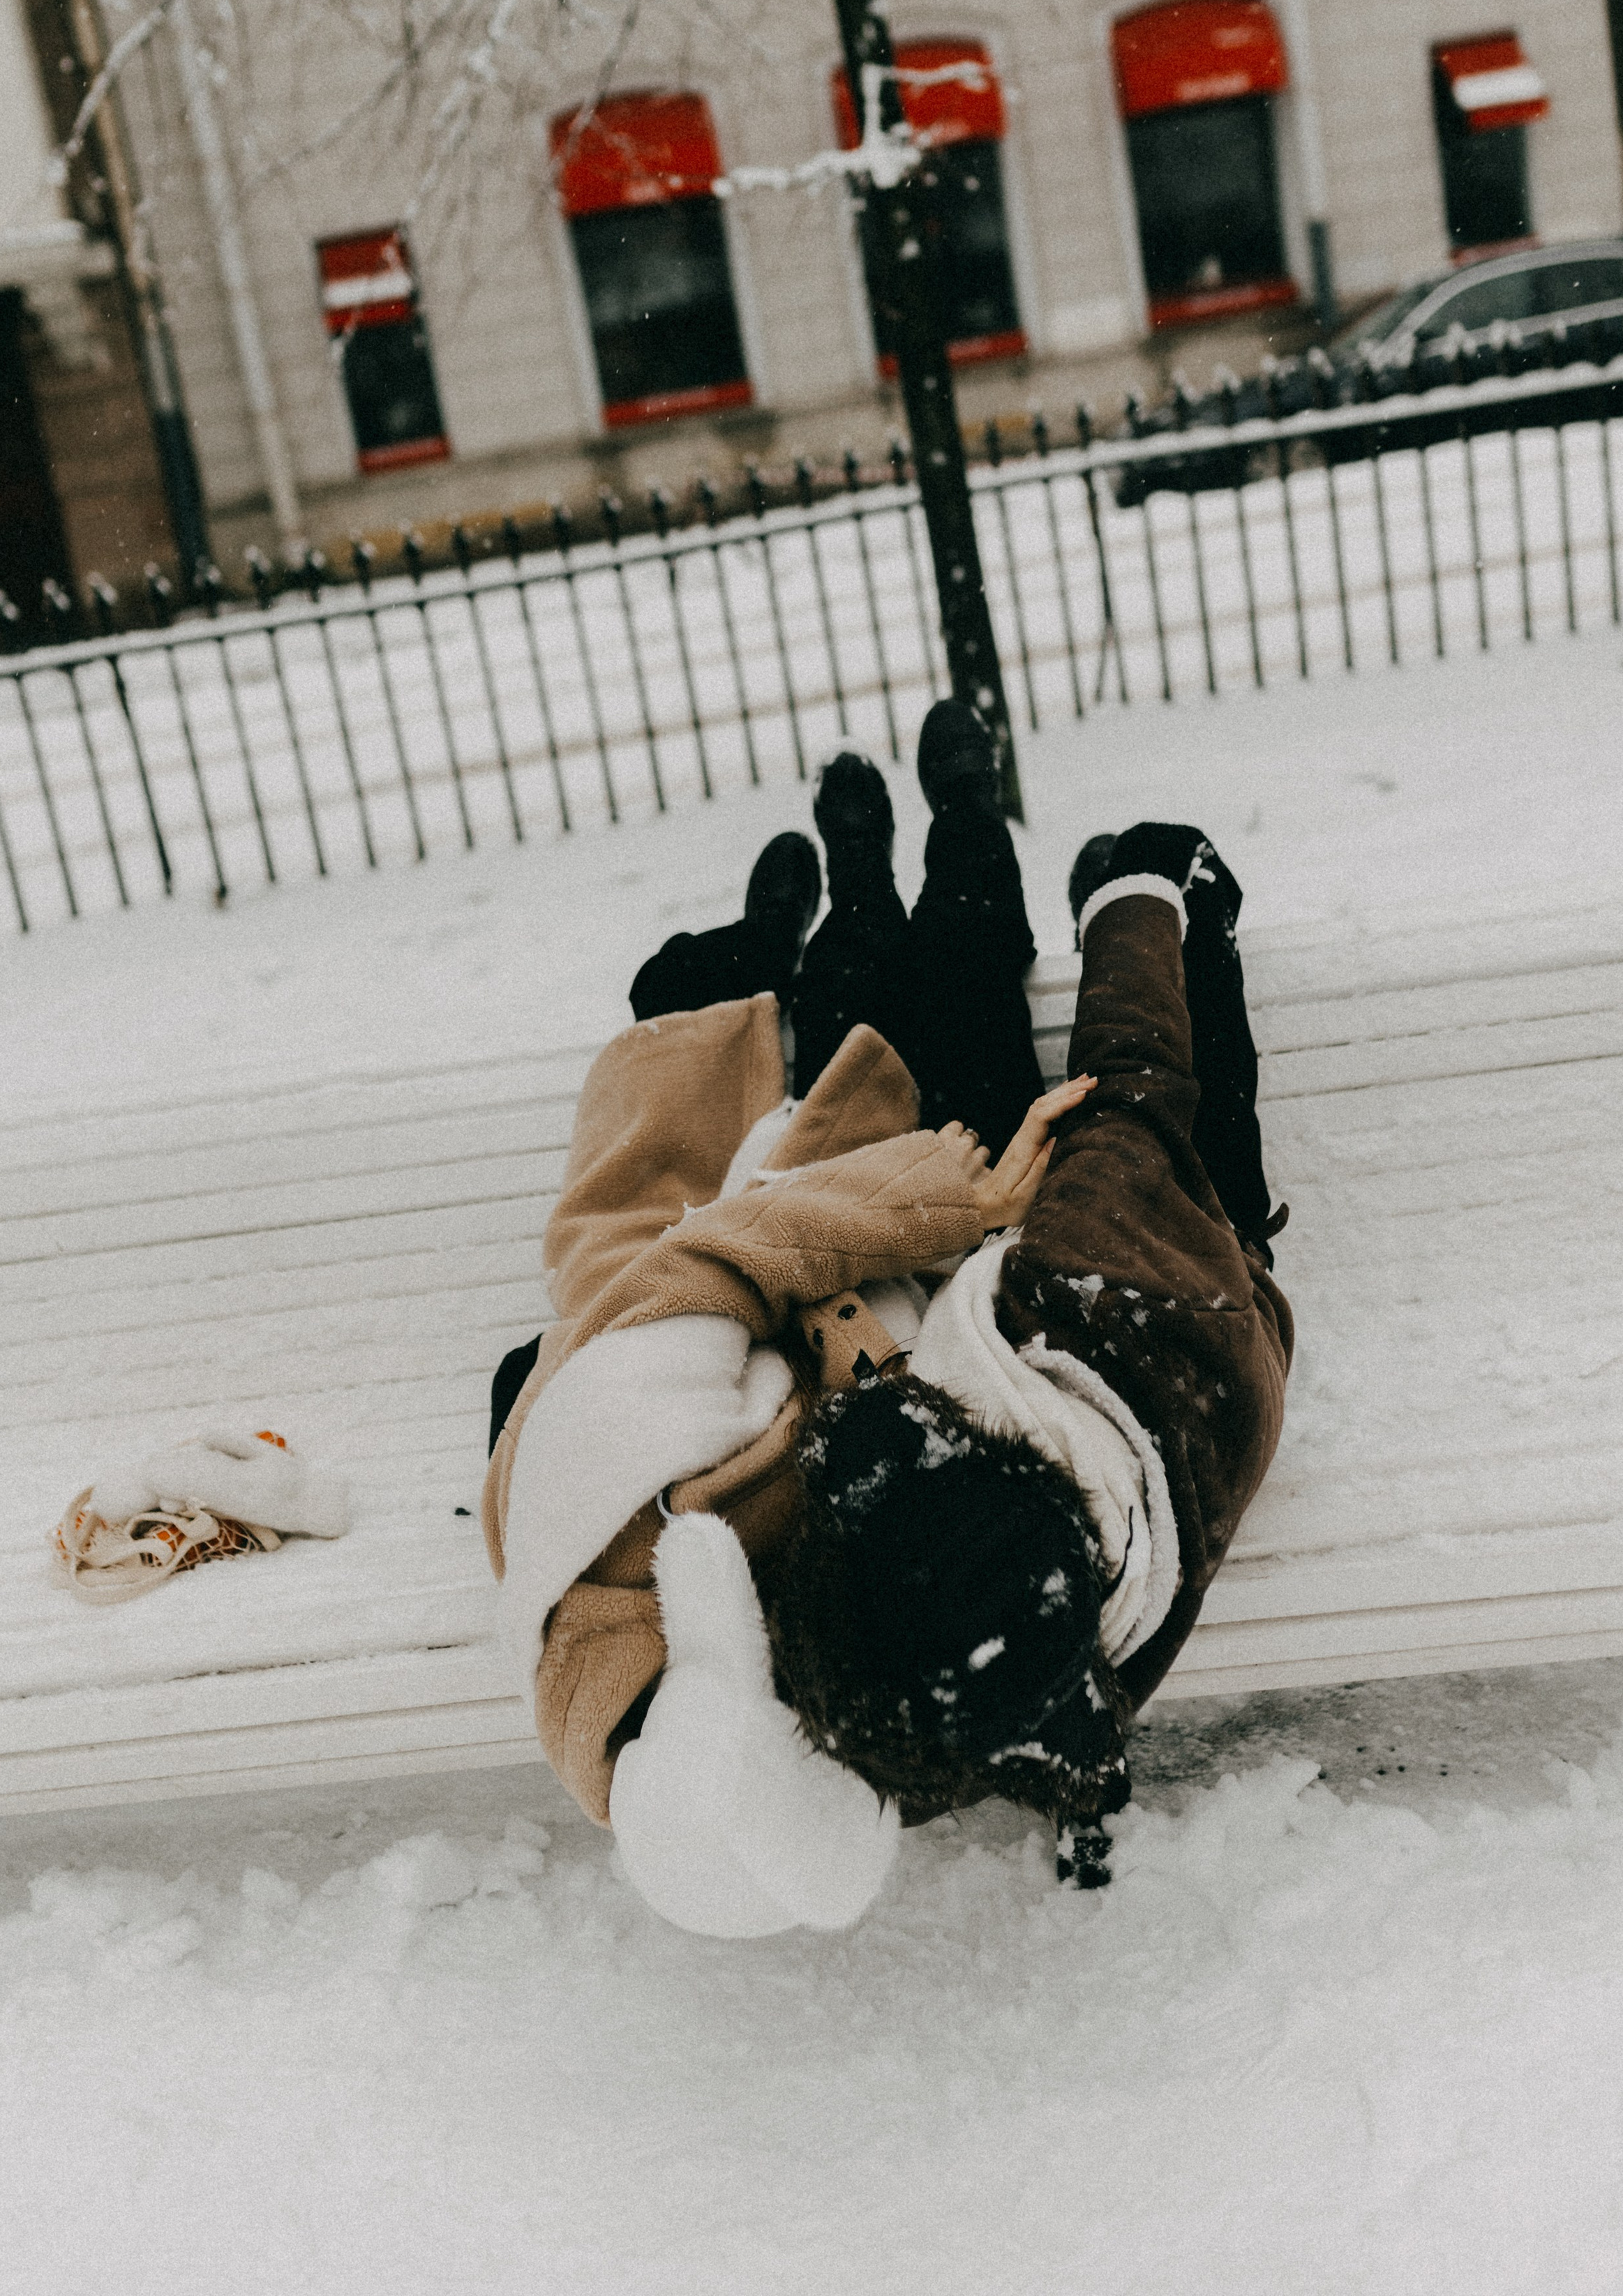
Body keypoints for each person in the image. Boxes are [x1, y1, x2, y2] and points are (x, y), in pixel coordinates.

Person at [481, 703, 1292, 1937]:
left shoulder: (624, 1482)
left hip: (838, 1231)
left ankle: (853, 881)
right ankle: (962, 828)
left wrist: (924, 1223)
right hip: (998, 1259)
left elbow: (710, 1265)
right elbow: (1134, 1111)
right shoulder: (871, 1682)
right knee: (965, 988)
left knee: (867, 999)